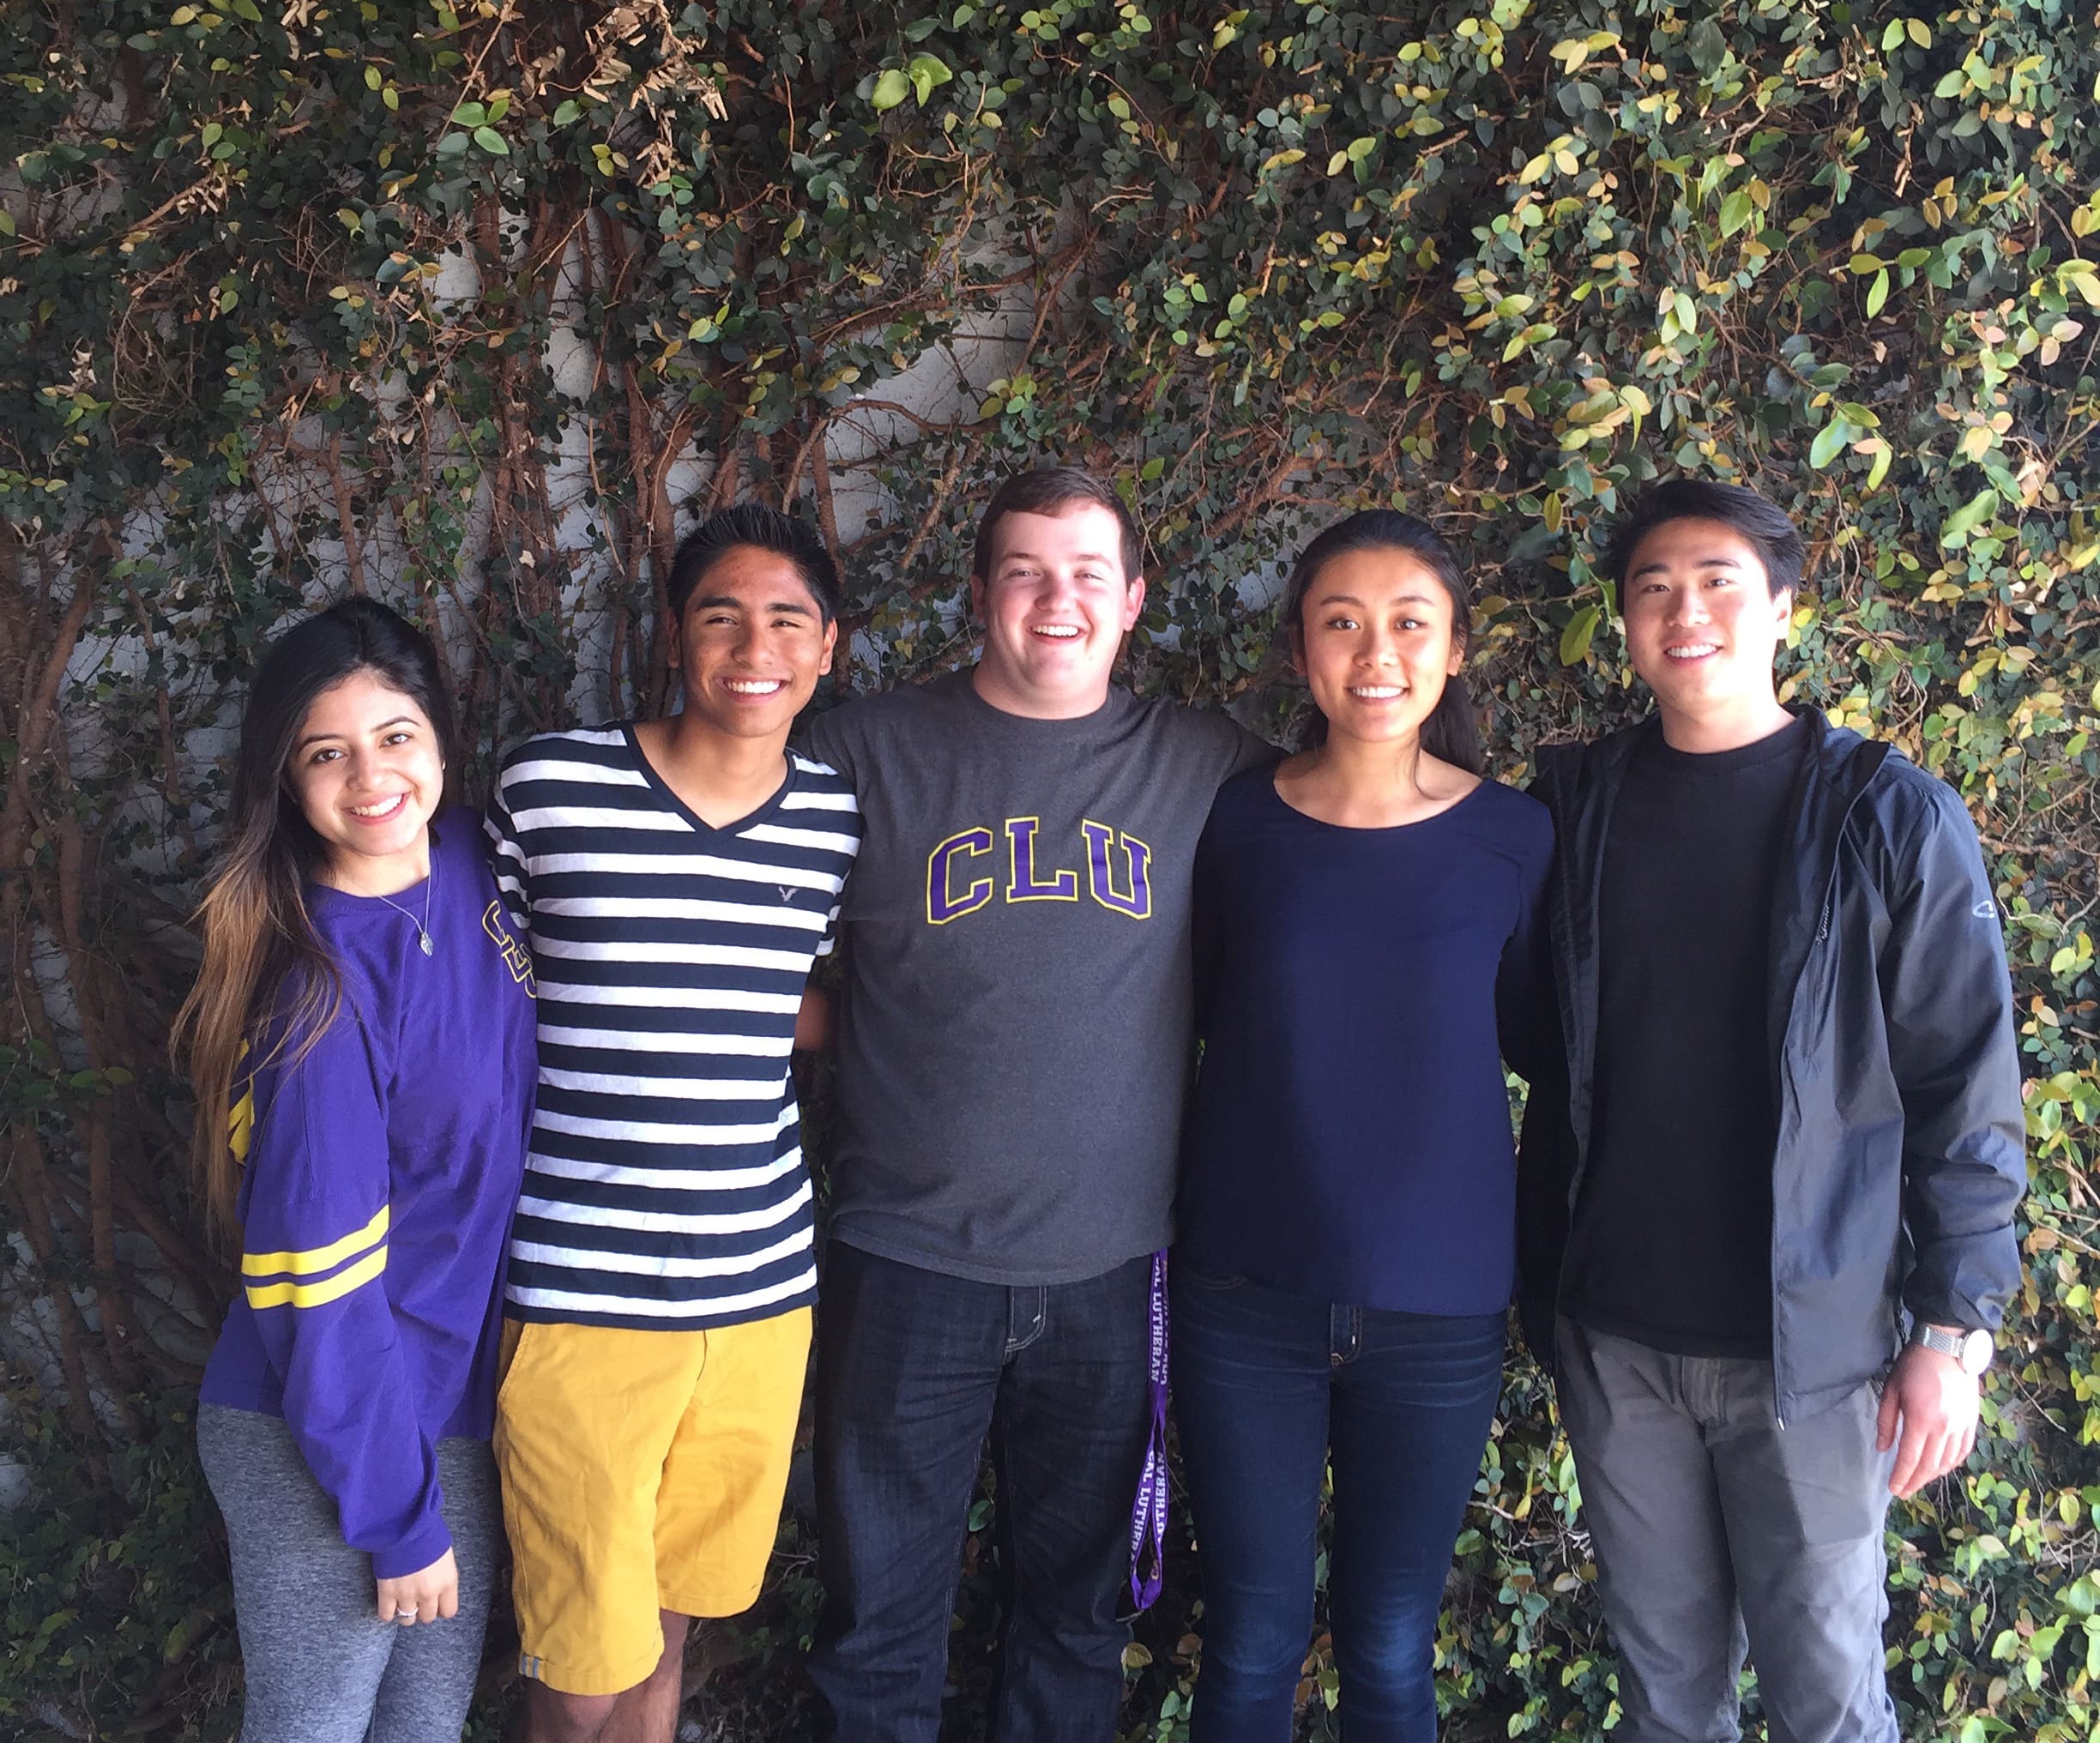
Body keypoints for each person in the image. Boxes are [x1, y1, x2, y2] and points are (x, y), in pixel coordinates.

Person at [1515, 477, 2028, 1743]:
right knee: (1664, 1699)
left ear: (1785, 609)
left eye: (1719, 584)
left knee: (1828, 1702)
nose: (1685, 612)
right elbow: (1511, 1028)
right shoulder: (1570, 809)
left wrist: (1953, 1329)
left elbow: (1965, 1083)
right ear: (1626, 623)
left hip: (1812, 1351)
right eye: (1654, 588)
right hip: (1615, 1337)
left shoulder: (1887, 814)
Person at [800, 462, 1272, 1743]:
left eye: (1086, 575)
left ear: (1134, 600)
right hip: (906, 1262)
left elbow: (1357, 831)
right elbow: (729, 926)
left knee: (1075, 1625)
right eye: (1024, 572)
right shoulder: (859, 753)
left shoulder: (1206, 761)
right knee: (876, 1628)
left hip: (1113, 1273)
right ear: (979, 595)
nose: (1056, 600)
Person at [1171, 509, 1552, 1742]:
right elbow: (1193, 1011)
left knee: (1390, 1646)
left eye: (1408, 623)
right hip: (1244, 1295)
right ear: (1301, 650)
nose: (1376, 653)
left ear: (1455, 650)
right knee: (1251, 1641)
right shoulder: (1233, 823)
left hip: (1439, 1308)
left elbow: (1535, 1038)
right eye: (1342, 622)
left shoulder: (1516, 837)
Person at [486, 504, 860, 1743]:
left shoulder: (837, 822)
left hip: (759, 1291)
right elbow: (474, 1004)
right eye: (721, 616)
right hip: (581, 1295)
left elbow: (808, 999)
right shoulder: (551, 787)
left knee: (675, 1624)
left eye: (788, 621)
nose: (755, 648)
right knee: (582, 1664)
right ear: (674, 634)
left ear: (828, 649)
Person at [176, 599, 539, 1743]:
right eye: (326, 753)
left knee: (424, 1728)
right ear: (288, 782)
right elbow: (315, 1287)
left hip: (448, 1408)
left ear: (440, 738)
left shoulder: (479, 863)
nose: (372, 777)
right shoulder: (321, 996)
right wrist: (397, 1517)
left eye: (394, 736)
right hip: (326, 1430)